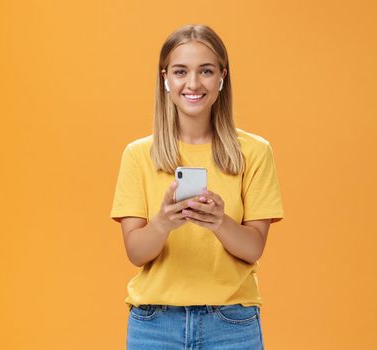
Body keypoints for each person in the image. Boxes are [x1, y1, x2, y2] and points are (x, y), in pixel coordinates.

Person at [110, 23, 284, 350]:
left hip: (232, 324)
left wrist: (219, 221)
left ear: (222, 77)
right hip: (155, 325)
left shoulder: (255, 152)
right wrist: (162, 222)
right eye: (180, 71)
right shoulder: (137, 155)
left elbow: (253, 248)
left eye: (205, 71)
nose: (193, 83)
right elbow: (136, 253)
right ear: (165, 78)